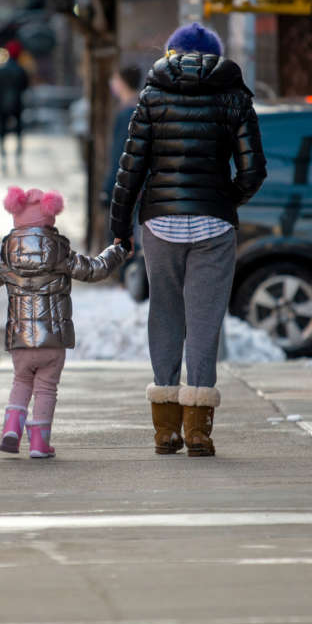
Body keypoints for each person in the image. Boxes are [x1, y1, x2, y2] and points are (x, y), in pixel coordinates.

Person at [109, 23, 267, 458]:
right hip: (214, 228)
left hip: (160, 225)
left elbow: (130, 171)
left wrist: (120, 228)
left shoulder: (152, 95)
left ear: (172, 52)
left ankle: (165, 430)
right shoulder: (235, 95)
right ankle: (198, 431)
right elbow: (253, 170)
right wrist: (222, 201)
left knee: (165, 311)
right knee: (205, 320)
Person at [0, 187, 125, 458]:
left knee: (21, 381)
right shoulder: (60, 250)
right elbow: (94, 270)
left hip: (20, 339)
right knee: (46, 388)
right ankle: (40, 444)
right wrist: (115, 252)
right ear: (49, 218)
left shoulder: (7, 253)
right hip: (52, 339)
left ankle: (11, 426)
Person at [0, 39, 30, 172]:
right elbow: (25, 87)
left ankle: (4, 159)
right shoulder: (21, 71)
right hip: (17, 105)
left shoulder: (0, 72)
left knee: (2, 132)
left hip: (1, 106)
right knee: (19, 132)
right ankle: (18, 159)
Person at [103, 65, 144, 206]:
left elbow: (120, 152)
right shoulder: (140, 107)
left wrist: (109, 188)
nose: (112, 83)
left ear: (122, 82)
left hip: (126, 187)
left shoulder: (127, 113)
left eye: (115, 79)